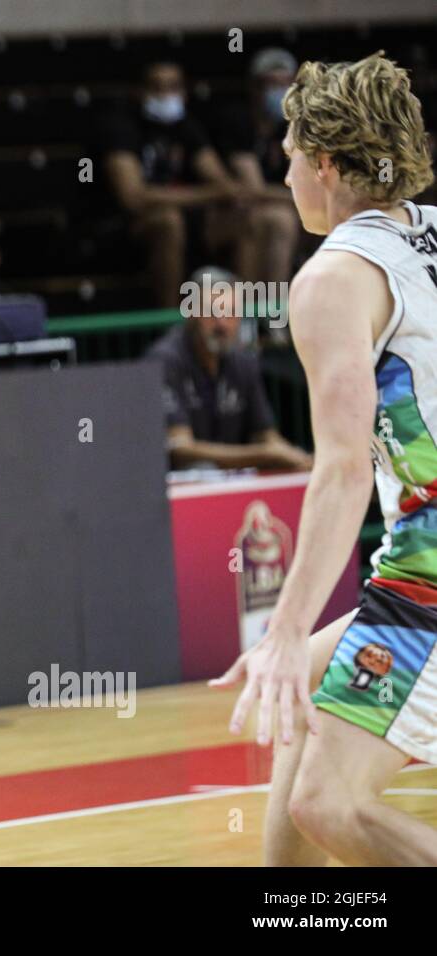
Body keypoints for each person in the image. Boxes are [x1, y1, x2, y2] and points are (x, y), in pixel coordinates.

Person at [210, 53, 437, 865]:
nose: (283, 165)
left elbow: (342, 467)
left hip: (432, 565)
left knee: (327, 804)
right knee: (302, 686)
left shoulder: (335, 276)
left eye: (291, 148)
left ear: (328, 163)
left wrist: (284, 624)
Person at [100, 62, 254, 307]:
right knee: (168, 221)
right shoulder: (121, 126)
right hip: (126, 225)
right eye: (156, 87)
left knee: (245, 217)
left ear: (183, 93)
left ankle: (243, 316)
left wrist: (221, 190)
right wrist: (207, 194)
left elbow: (225, 185)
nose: (164, 95)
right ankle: (170, 321)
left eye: (172, 87)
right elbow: (133, 197)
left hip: (189, 219)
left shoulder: (187, 127)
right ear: (139, 92)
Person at [147, 265, 311, 471]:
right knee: (202, 467)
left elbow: (266, 435)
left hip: (236, 480)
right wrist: (264, 455)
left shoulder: (243, 360)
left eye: (231, 312)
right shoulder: (167, 360)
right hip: (181, 484)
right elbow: (180, 449)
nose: (222, 324)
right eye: (212, 312)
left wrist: (299, 460)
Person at [211, 48, 302, 293]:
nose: (279, 91)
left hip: (283, 208)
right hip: (225, 215)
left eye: (285, 83)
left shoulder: (296, 125)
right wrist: (305, 198)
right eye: (271, 84)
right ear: (254, 87)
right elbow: (254, 189)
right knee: (275, 218)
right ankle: (267, 317)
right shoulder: (238, 121)